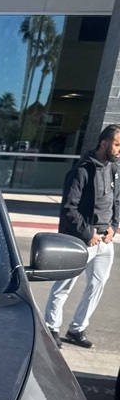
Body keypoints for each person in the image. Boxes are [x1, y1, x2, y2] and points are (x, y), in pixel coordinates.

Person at [44, 124, 120, 349]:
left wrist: (114, 227)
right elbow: (69, 208)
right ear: (104, 143)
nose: (119, 150)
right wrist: (88, 234)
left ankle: (77, 328)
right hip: (80, 239)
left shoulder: (114, 170)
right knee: (63, 285)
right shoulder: (81, 170)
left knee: (97, 285)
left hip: (105, 241)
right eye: (117, 145)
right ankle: (51, 327)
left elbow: (117, 202)